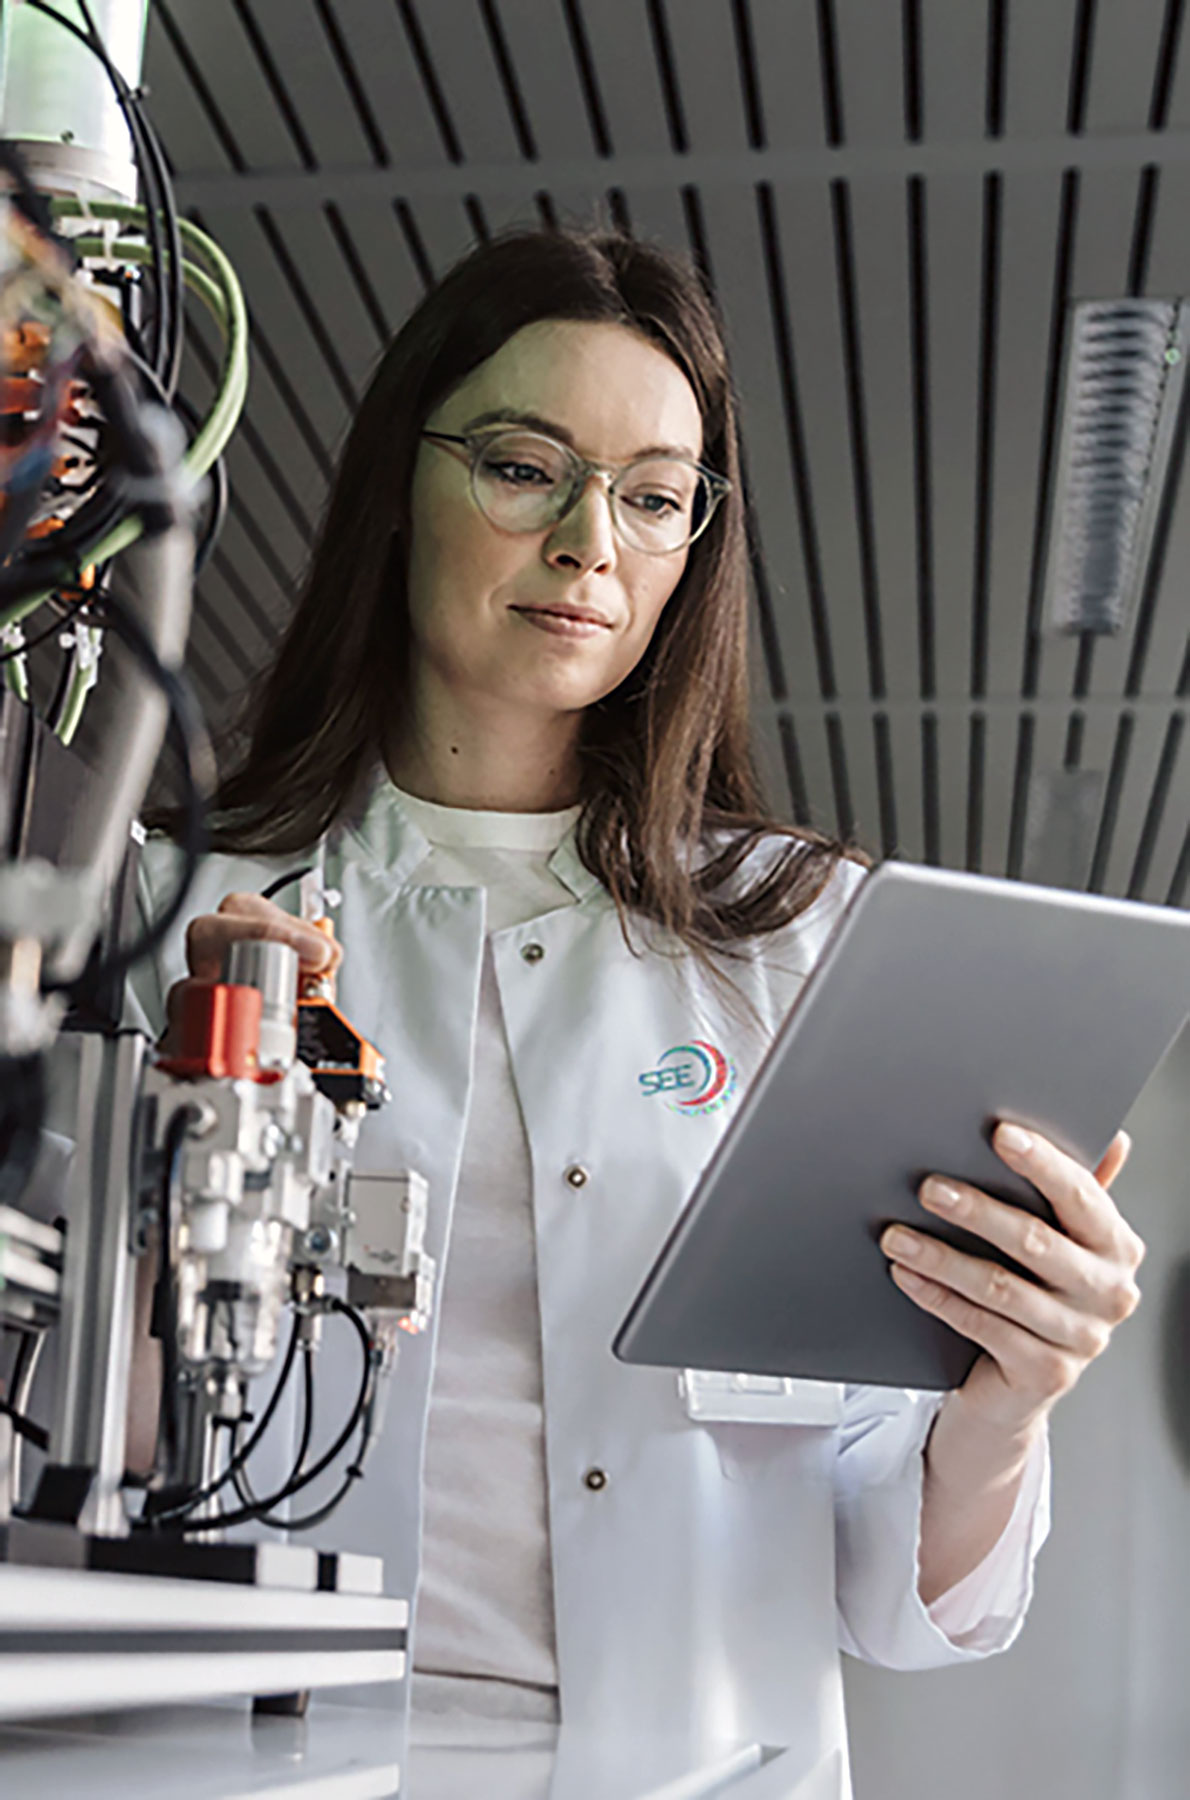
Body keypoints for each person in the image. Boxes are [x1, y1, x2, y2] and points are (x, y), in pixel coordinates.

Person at [130, 226, 1145, 1797]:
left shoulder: (804, 948)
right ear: (401, 478)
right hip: (250, 1761)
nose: (590, 542)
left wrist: (1011, 1397)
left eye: (655, 495)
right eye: (525, 466)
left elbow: (902, 1593)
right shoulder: (178, 923)